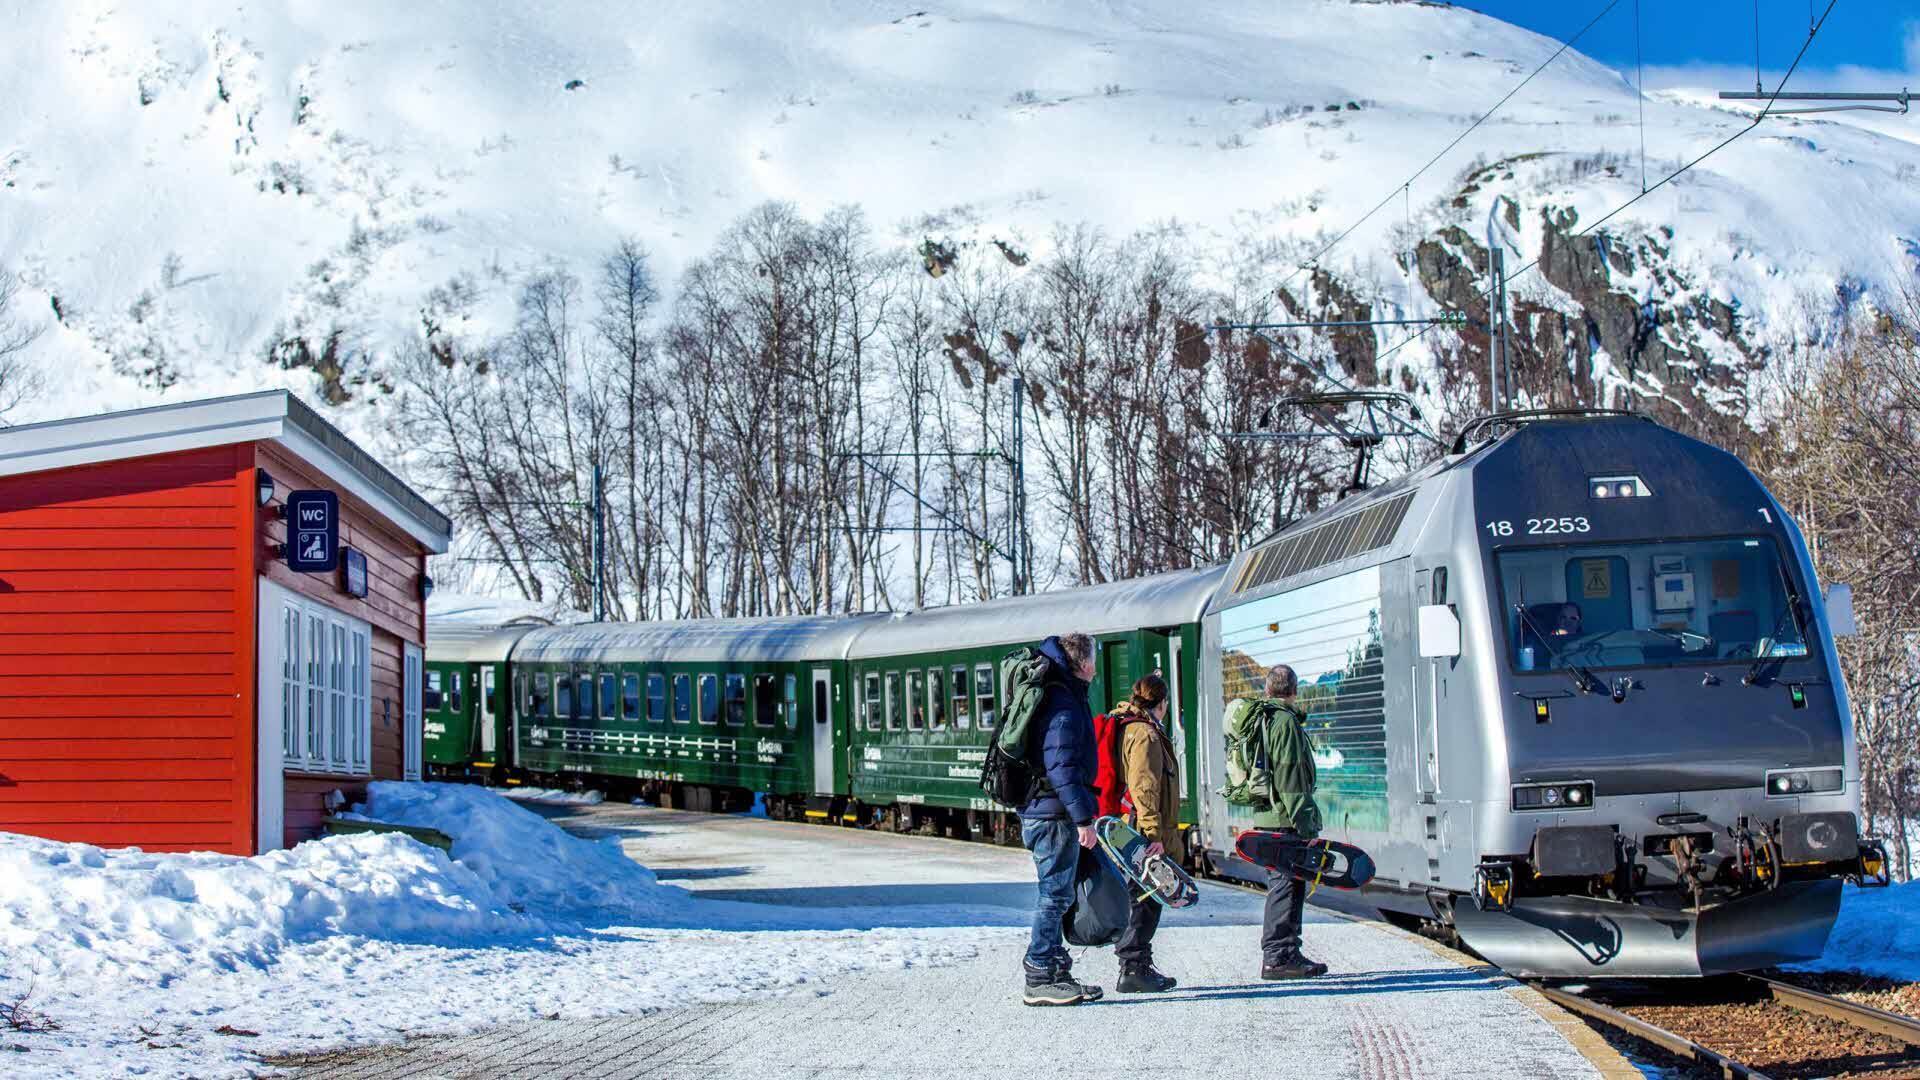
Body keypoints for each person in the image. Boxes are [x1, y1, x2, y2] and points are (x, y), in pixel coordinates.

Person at [1017, 631, 1102, 1006]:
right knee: (1053, 895)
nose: (1096, 668)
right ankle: (1039, 972)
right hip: (1053, 814)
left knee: (1059, 893)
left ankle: (1055, 970)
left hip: (1050, 810)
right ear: (1084, 663)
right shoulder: (1063, 704)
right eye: (1094, 660)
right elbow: (1061, 767)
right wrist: (1083, 818)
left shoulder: (1062, 694)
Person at [1238, 662, 1328, 980]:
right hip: (1284, 819)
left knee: (1286, 883)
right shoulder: (1284, 723)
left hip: (1270, 815)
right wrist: (1306, 826)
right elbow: (1291, 778)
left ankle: (1287, 951)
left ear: (1267, 689)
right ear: (1294, 690)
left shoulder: (1264, 718)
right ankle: (1277, 956)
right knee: (1286, 885)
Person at [1110, 673, 1181, 993]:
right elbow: (1145, 787)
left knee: (1145, 895)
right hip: (1142, 829)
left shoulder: (1131, 726)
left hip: (1134, 825)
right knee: (1147, 896)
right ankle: (1133, 966)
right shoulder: (1145, 736)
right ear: (1162, 703)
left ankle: (1137, 964)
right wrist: (1154, 835)